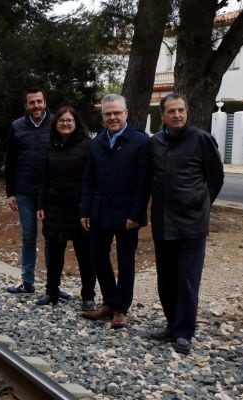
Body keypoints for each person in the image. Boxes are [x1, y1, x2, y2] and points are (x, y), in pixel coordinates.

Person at [148, 93, 224, 354]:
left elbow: (215, 178)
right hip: (163, 224)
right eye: (172, 111)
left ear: (187, 112)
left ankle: (184, 332)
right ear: (163, 116)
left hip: (192, 226)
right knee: (166, 280)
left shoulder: (201, 139)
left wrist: (200, 204)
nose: (177, 115)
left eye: (181, 110)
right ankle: (171, 325)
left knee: (187, 281)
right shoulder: (155, 143)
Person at [80, 94, 149, 328]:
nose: (112, 117)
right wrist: (85, 210)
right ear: (102, 116)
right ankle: (109, 301)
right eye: (108, 113)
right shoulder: (97, 142)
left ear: (126, 114)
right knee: (98, 257)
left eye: (117, 113)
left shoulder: (140, 141)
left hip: (128, 213)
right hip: (99, 211)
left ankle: (121, 309)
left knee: (126, 261)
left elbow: (144, 182)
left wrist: (136, 214)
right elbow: (88, 178)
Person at [4, 88, 67, 300]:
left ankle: (53, 286)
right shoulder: (17, 127)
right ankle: (27, 282)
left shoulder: (56, 124)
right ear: (26, 106)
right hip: (25, 192)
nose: (36, 106)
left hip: (51, 193)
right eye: (32, 103)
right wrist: (10, 192)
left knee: (53, 239)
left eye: (39, 101)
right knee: (28, 236)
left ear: (45, 102)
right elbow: (10, 161)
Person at [35, 106, 96, 310]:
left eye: (70, 120)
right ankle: (51, 292)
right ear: (56, 124)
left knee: (85, 255)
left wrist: (88, 209)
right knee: (54, 254)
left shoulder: (88, 146)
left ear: (76, 123)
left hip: (79, 210)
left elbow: (93, 179)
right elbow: (44, 178)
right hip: (54, 209)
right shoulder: (51, 146)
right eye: (62, 121)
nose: (66, 123)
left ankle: (88, 295)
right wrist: (41, 204)